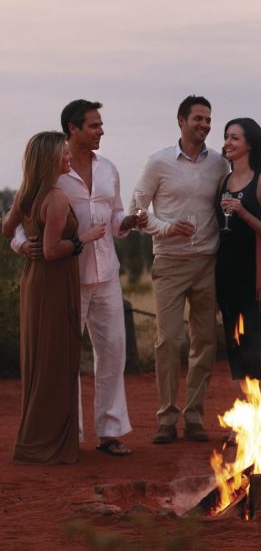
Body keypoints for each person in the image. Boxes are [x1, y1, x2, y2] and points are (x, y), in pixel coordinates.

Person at [13, 100, 143, 457]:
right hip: (65, 279)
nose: (101, 131)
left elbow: (115, 218)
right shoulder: (50, 172)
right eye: (94, 126)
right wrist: (24, 245)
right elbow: (17, 222)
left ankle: (110, 432)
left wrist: (128, 223)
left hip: (107, 275)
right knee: (65, 356)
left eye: (101, 125)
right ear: (73, 128)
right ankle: (71, 433)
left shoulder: (110, 170)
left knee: (113, 351)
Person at [132, 95, 229, 444]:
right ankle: (166, 418)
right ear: (181, 120)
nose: (204, 125)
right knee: (169, 340)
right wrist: (167, 228)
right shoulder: (157, 162)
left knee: (204, 342)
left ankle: (194, 417)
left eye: (208, 120)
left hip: (207, 262)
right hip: (170, 262)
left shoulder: (220, 165)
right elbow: (138, 211)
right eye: (198, 119)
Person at [3, 131, 103, 464]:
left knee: (41, 359)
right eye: (63, 153)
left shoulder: (27, 194)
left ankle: (35, 437)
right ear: (49, 159)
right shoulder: (57, 198)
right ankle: (49, 445)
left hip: (34, 282)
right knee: (56, 359)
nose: (68, 157)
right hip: (55, 283)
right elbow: (51, 250)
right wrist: (83, 239)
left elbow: (7, 229)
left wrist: (20, 245)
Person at [216, 118, 261, 381]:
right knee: (232, 345)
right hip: (225, 276)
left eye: (234, 137)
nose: (227, 143)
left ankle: (257, 411)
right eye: (226, 137)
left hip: (254, 279)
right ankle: (243, 411)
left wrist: (243, 213)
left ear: (250, 144)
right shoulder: (223, 182)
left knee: (250, 344)